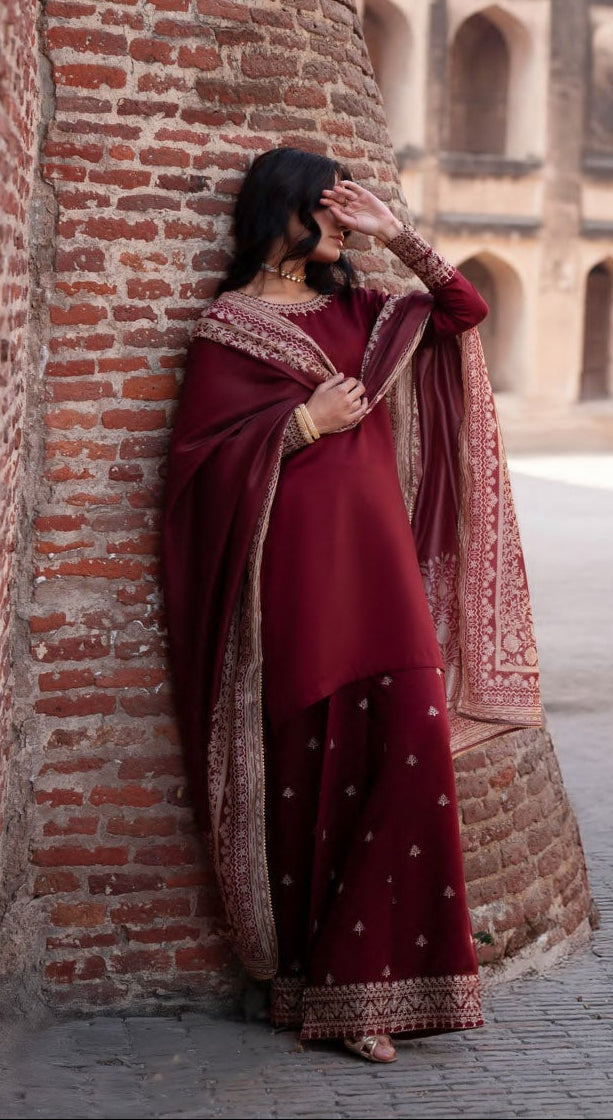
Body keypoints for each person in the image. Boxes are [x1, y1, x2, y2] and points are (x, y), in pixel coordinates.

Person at [162, 148, 541, 1064]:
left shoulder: (366, 312)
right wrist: (301, 426)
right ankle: (331, 994)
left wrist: (396, 234)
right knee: (314, 780)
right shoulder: (231, 328)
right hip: (295, 582)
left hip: (384, 574)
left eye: (349, 213)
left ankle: (376, 981)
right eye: (330, 211)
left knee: (414, 757)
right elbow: (196, 471)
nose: (341, 226)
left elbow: (464, 311)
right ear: (283, 214)